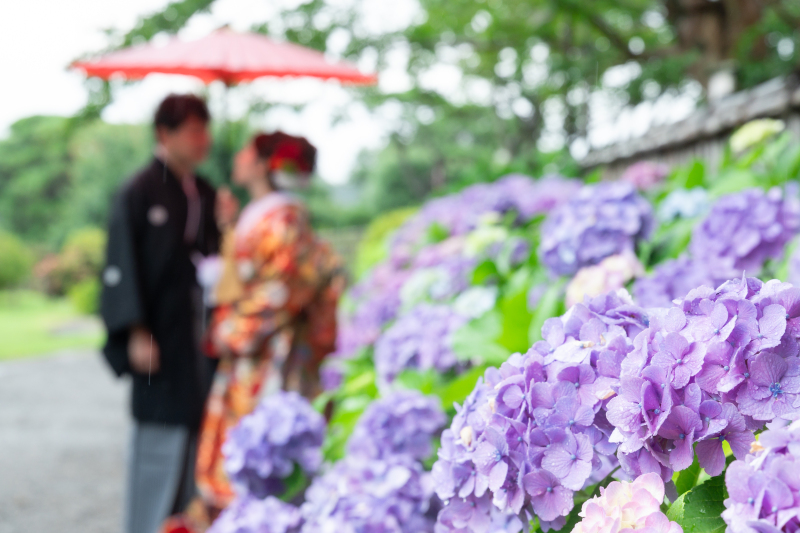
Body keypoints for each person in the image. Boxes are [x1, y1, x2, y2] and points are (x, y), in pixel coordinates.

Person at [166, 132, 344, 530]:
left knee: (264, 454)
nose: (240, 157)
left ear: (263, 163)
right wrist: (229, 227)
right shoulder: (263, 214)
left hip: (267, 355)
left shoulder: (282, 219)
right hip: (254, 353)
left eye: (247, 151)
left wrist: (232, 326)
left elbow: (281, 289)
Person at [99, 94, 221, 533]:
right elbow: (121, 263)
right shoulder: (138, 190)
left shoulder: (205, 192)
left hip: (197, 340)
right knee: (159, 436)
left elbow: (212, 260)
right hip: (156, 337)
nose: (203, 139)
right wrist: (134, 328)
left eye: (205, 129)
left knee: (199, 439)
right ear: (163, 134)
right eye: (193, 129)